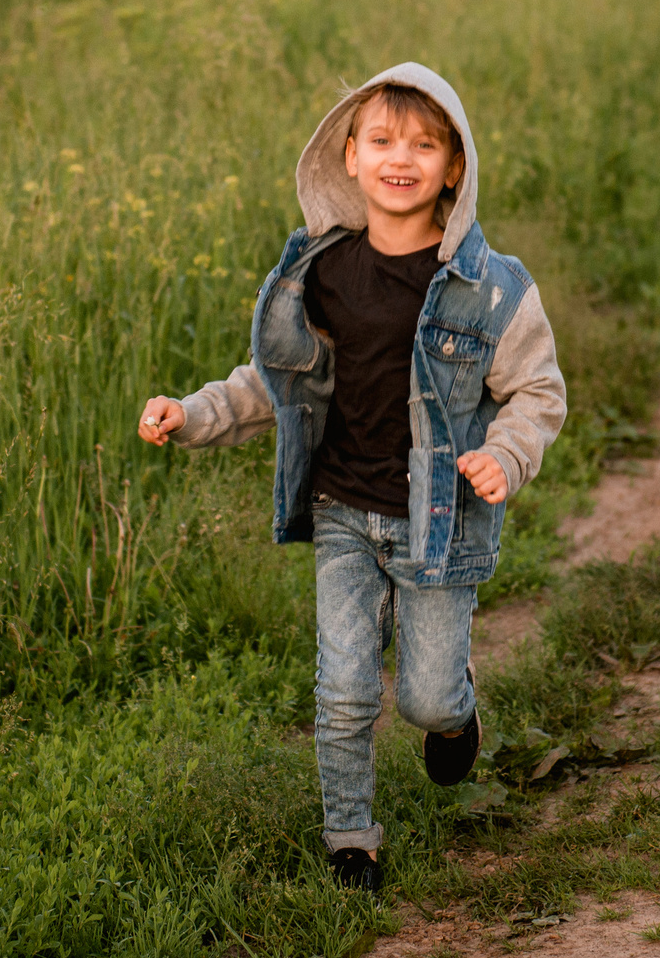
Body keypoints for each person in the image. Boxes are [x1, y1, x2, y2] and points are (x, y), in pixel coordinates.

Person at [137, 64, 567, 892]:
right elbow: (273, 381)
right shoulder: (322, 273)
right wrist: (191, 414)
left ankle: (458, 711)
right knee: (342, 688)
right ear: (349, 155)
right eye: (382, 140)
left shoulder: (491, 287)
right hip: (342, 511)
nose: (400, 158)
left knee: (427, 700)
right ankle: (351, 842)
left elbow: (537, 391)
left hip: (437, 521)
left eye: (423, 144)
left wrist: (504, 456)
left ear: (454, 167)